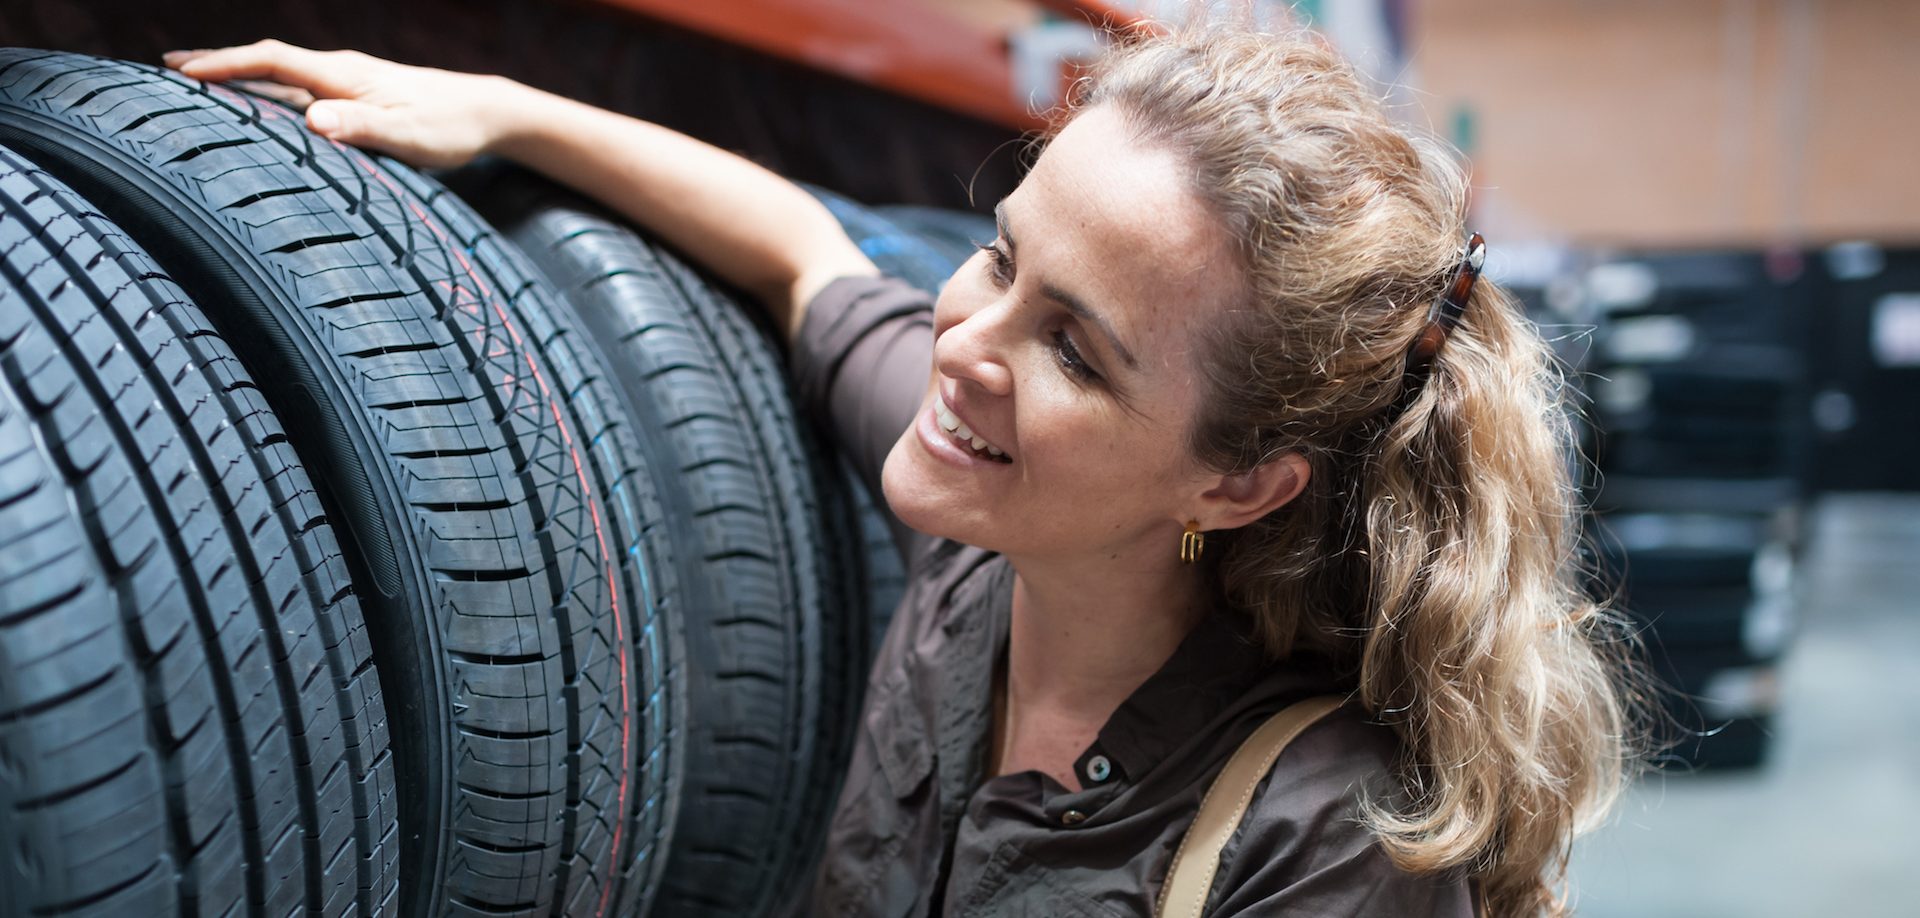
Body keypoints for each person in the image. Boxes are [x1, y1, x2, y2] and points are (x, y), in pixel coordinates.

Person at [168, 13, 1642, 917]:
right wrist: (507, 110)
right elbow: (803, 252)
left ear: (1239, 483)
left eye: (1076, 351)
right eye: (1000, 257)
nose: (962, 344)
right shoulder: (986, 532)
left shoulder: (1330, 842)